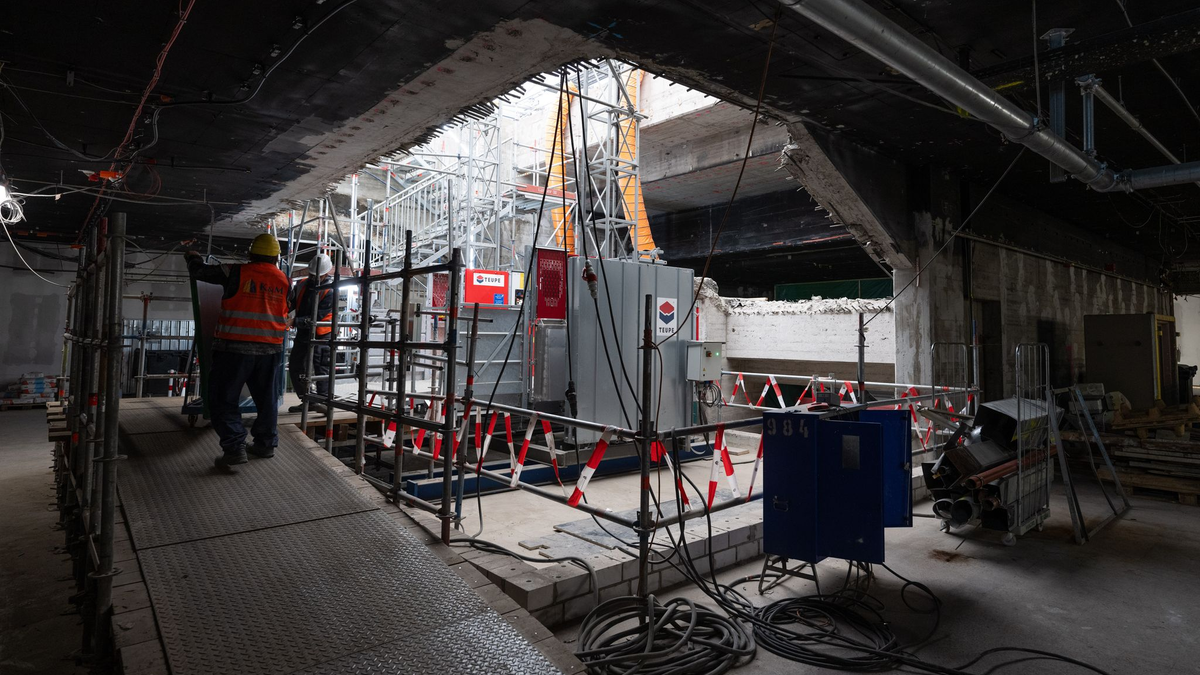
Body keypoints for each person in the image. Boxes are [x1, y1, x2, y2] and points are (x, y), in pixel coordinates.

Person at [185, 233, 290, 468]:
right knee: (266, 400)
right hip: (270, 350)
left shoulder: (235, 272)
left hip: (234, 349)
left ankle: (234, 448)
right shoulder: (284, 279)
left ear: (250, 255)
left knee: (223, 399)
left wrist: (192, 256)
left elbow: (199, 272)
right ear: (276, 257)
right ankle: (265, 445)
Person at [287, 253, 335, 413]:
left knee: (321, 368)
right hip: (303, 334)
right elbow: (291, 304)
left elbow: (318, 316)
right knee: (296, 365)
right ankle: (308, 400)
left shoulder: (330, 290)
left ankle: (325, 403)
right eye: (312, 274)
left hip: (322, 335)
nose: (314, 277)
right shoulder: (301, 284)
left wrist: (294, 322)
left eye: (318, 275)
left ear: (327, 273)